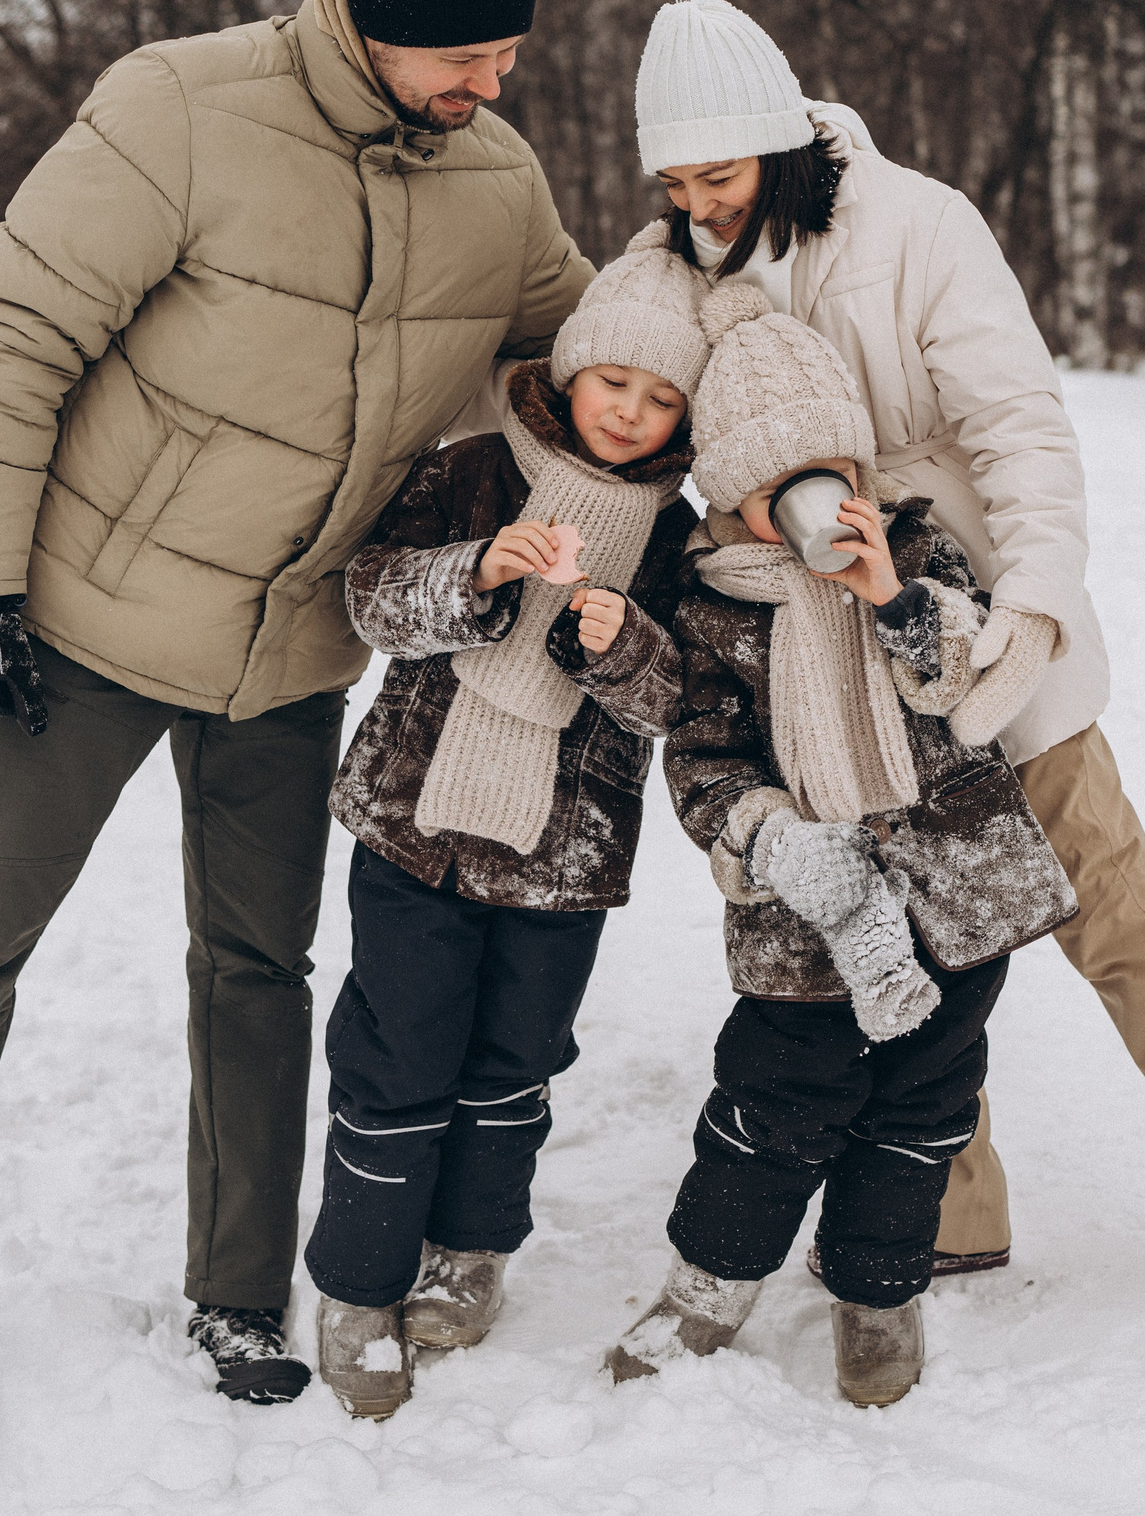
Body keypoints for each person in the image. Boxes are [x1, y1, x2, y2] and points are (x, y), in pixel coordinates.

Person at [0, 0, 594, 1516]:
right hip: (83, 629)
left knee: (259, 972)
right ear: (381, 21)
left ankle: (231, 1293)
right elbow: (10, 331)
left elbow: (587, 355)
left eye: (508, 57)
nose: (494, 85)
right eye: (466, 56)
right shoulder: (180, 109)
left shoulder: (496, 179)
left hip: (286, 653)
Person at [623, 0, 1145, 1323]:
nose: (696, 203)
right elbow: (624, 392)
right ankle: (953, 1197)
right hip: (816, 672)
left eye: (715, 174)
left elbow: (1022, 431)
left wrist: (1030, 611)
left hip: (964, 635)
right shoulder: (680, 266)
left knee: (1105, 905)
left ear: (779, 145)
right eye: (671, 181)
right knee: (890, 922)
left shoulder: (918, 229)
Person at [606, 276, 1077, 1407]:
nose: (804, 502)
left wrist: (891, 591)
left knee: (926, 1101)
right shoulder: (714, 604)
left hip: (956, 887)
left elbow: (967, 694)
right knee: (773, 1097)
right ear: (729, 494)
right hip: (805, 900)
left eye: (823, 474)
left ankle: (879, 1293)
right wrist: (773, 840)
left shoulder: (917, 558)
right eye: (772, 487)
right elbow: (704, 759)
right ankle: (707, 1284)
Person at [303, 237, 707, 1417]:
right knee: (397, 1049)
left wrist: (614, 641)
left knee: (512, 1062)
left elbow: (675, 696)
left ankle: (469, 1249)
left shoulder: (679, 536)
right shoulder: (476, 469)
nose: (629, 412)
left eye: (660, 396)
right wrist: (477, 571)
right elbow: (373, 596)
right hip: (410, 823)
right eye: (612, 382)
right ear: (568, 372)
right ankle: (359, 1278)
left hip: (559, 859)